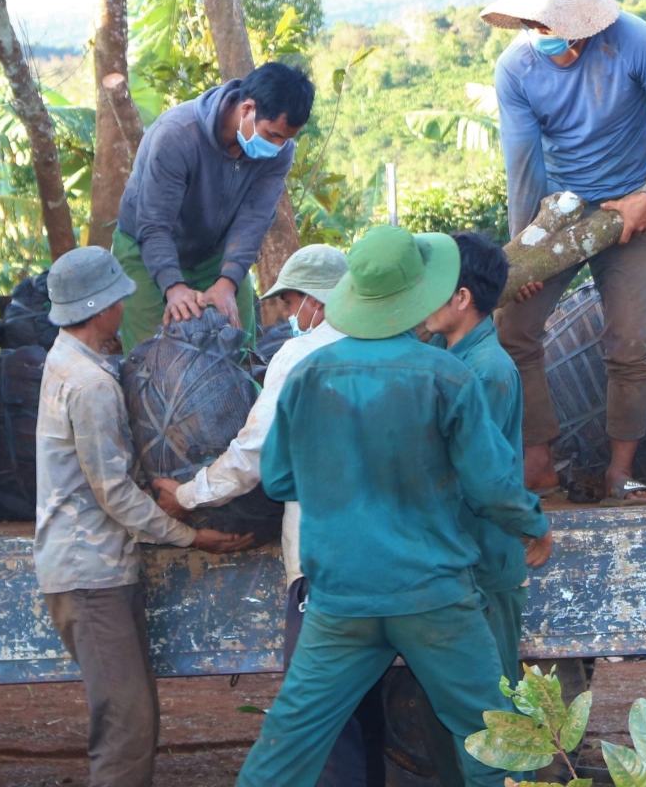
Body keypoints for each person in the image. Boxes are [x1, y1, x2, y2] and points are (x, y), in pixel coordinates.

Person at [235, 226, 553, 787]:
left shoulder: (308, 373)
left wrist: (348, 477)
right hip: (432, 596)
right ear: (419, 290)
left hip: (341, 598)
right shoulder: (449, 376)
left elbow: (280, 478)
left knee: (287, 747)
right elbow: (491, 487)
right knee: (496, 740)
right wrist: (534, 527)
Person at [154, 242, 386, 787]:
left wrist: (185, 497)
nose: (285, 318)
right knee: (367, 707)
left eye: (287, 306)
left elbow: (253, 455)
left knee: (320, 718)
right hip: (388, 557)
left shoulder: (299, 357)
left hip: (321, 564)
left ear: (312, 300)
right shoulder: (391, 346)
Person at [482, 0, 646, 501]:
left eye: (563, 28)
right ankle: (539, 462)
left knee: (630, 343)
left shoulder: (637, 42)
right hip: (558, 214)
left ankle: (619, 472)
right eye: (541, 27)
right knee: (513, 330)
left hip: (632, 214)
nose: (553, 38)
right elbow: (523, 170)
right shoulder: (516, 70)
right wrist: (523, 253)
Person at [32, 245, 252, 787]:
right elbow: (115, 495)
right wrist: (189, 533)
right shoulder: (90, 386)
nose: (125, 310)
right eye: (119, 301)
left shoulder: (69, 361)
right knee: (125, 726)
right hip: (89, 575)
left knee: (135, 714)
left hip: (93, 568)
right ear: (102, 308)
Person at [112, 61, 315, 353]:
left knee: (240, 346)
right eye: (272, 135)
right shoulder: (176, 135)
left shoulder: (280, 151)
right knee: (152, 357)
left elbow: (255, 218)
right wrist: (174, 287)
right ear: (247, 110)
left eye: (286, 139)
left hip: (214, 251)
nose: (279, 146)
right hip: (144, 246)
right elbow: (154, 224)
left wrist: (228, 281)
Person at [421, 231, 528, 677]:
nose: (421, 296)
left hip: (481, 564)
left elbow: (474, 478)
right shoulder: (439, 352)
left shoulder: (489, 371)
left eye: (432, 286)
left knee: (491, 706)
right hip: (455, 564)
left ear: (462, 297)